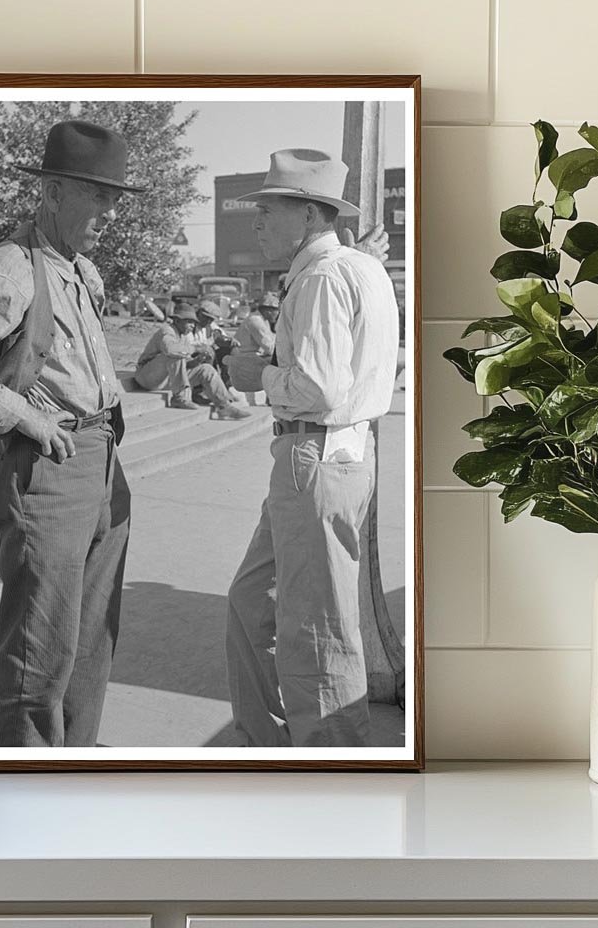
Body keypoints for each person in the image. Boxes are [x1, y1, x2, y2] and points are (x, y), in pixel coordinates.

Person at [0, 119, 140, 748]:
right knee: (40, 647)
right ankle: (20, 793)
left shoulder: (82, 271)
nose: (109, 211)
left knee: (90, 643)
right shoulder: (9, 266)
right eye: (97, 195)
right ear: (54, 192)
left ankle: (75, 765)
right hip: (46, 468)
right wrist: (22, 415)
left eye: (113, 198)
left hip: (101, 463)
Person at [224, 147, 398, 748]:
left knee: (316, 629)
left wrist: (258, 375)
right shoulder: (356, 268)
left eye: (267, 211)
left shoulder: (322, 278)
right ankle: (270, 742)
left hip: (315, 455)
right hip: (332, 455)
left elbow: (321, 387)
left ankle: (330, 766)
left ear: (306, 214)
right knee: (253, 601)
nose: (257, 224)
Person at [133, 302, 251, 419]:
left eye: (194, 323)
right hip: (147, 377)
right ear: (178, 321)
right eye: (189, 322)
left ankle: (224, 406)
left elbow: (183, 365)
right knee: (175, 354)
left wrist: (198, 360)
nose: (192, 326)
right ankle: (179, 398)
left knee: (206, 369)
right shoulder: (167, 331)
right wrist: (196, 348)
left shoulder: (183, 336)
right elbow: (170, 350)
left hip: (165, 379)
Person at [225, 291, 279, 393]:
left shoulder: (264, 321)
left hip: (254, 355)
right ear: (268, 311)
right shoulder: (255, 320)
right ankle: (273, 393)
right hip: (245, 356)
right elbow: (270, 348)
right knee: (278, 360)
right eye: (277, 311)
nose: (278, 314)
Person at [194, 299, 236, 385]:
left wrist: (230, 341)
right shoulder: (190, 325)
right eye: (205, 317)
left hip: (207, 357)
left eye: (211, 319)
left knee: (228, 351)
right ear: (199, 313)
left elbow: (219, 335)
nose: (208, 321)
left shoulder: (209, 326)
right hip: (193, 357)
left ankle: (224, 384)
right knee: (208, 351)